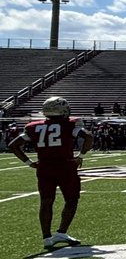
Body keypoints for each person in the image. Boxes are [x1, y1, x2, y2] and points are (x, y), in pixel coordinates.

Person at [8, 96, 93, 249]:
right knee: (71, 200)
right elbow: (88, 136)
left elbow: (13, 145)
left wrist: (29, 163)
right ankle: (61, 232)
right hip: (65, 166)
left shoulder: (34, 126)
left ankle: (47, 237)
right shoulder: (69, 124)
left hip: (44, 167)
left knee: (46, 201)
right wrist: (80, 157)